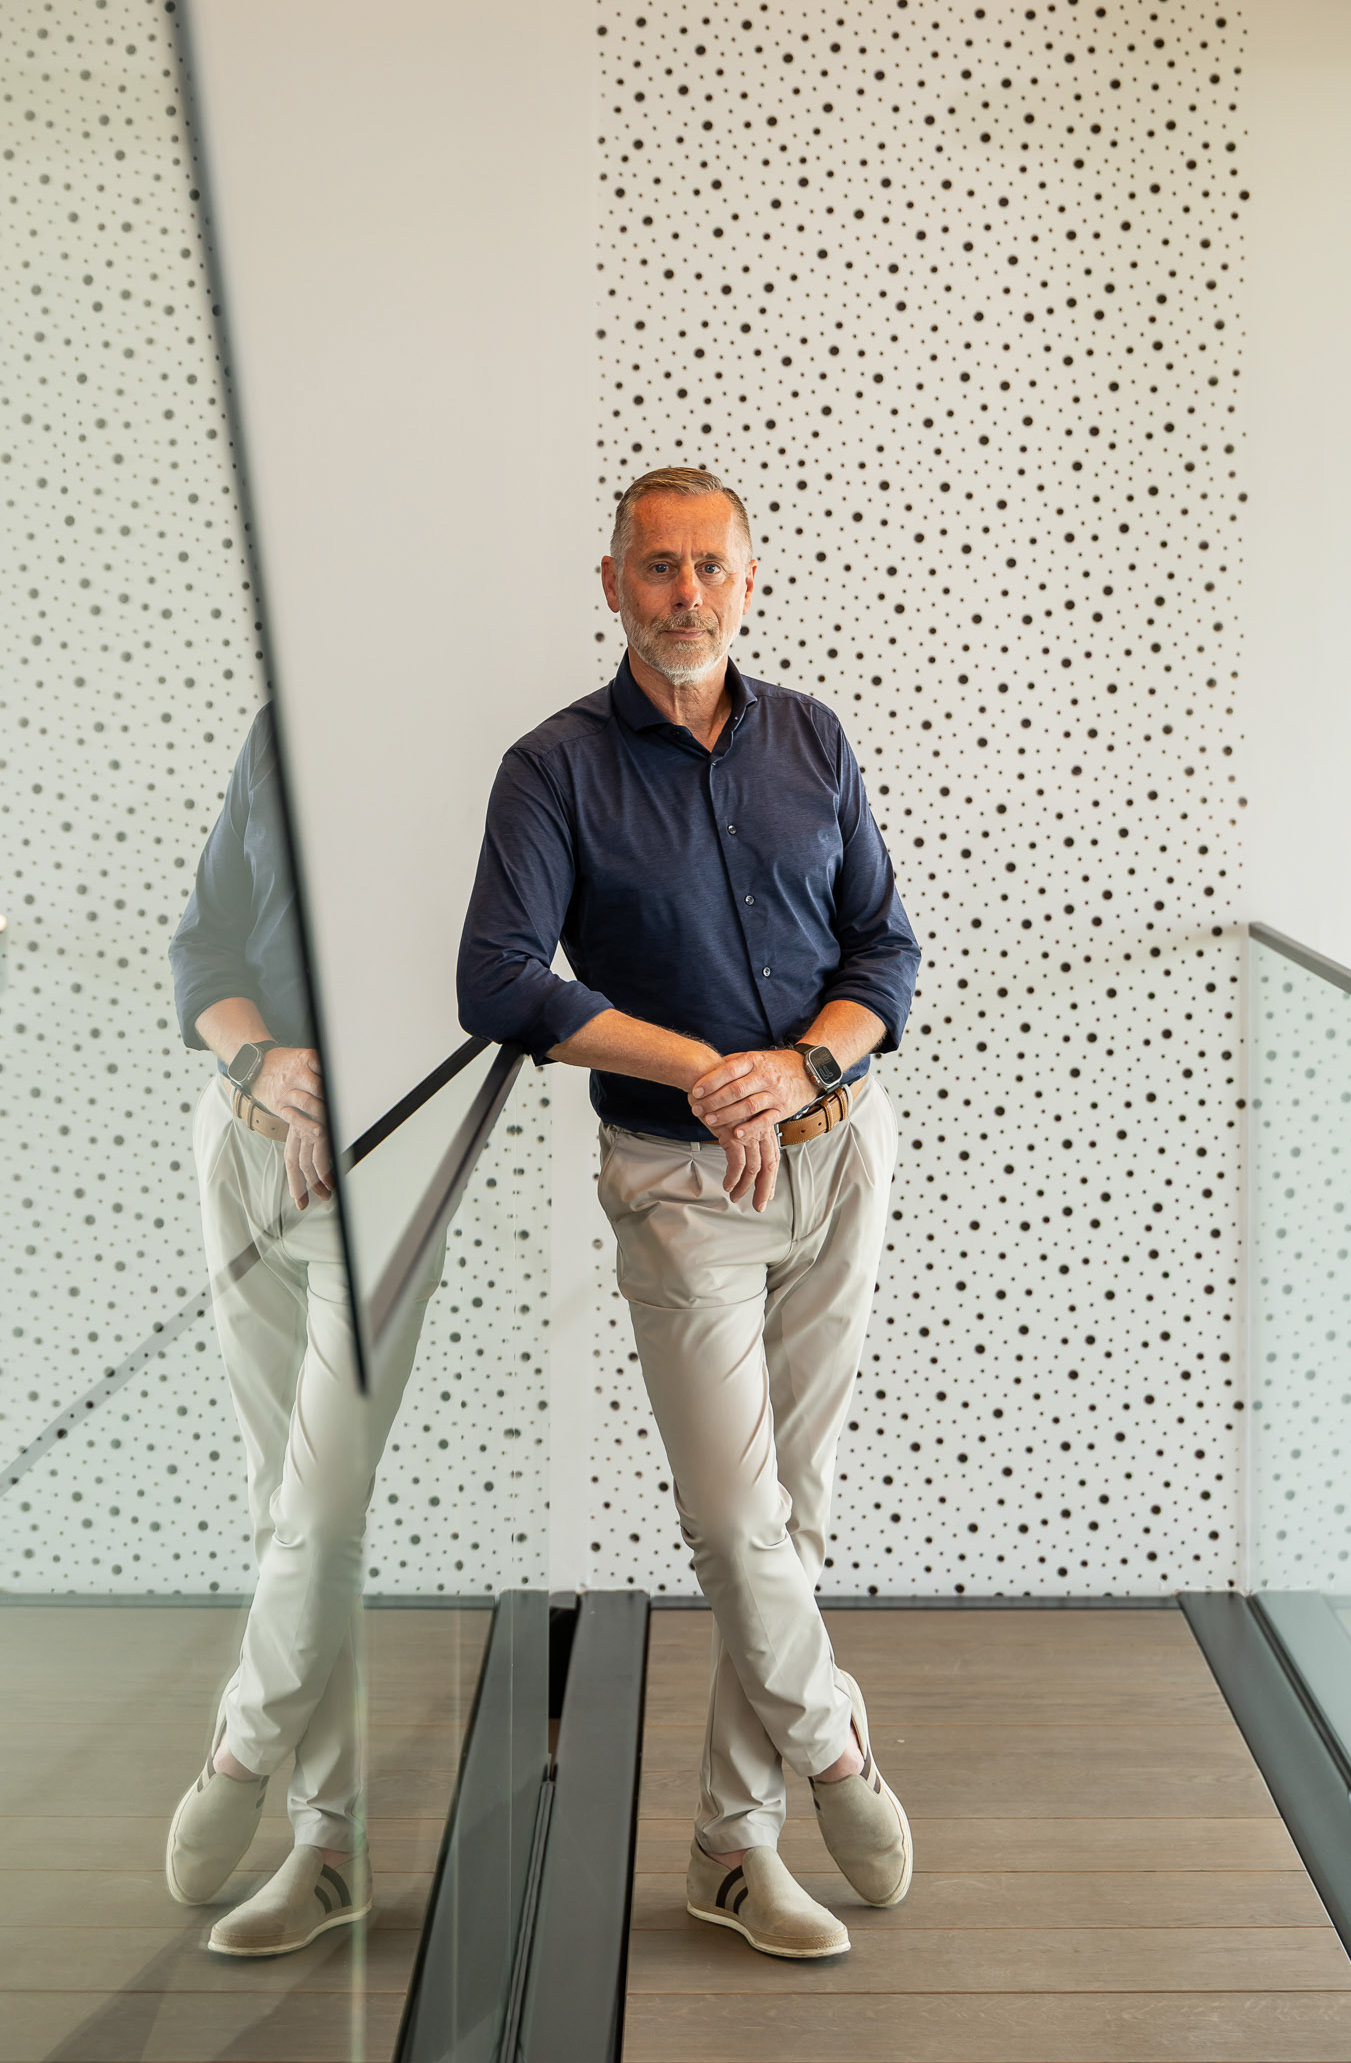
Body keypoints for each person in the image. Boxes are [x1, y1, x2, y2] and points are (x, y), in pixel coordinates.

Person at [457, 465, 921, 1961]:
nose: (686, 594)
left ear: (750, 578)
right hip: (681, 1188)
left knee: (796, 1510)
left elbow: (885, 951)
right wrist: (709, 1074)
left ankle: (734, 1845)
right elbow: (500, 979)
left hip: (839, 1156)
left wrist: (800, 1068)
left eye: (711, 565)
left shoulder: (814, 738)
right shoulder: (553, 769)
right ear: (611, 584)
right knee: (734, 1522)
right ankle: (833, 1746)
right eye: (657, 567)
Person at [165, 705, 442, 1958]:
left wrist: (350, 1085)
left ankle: (242, 1750)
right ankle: (329, 1848)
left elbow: (494, 984)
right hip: (242, 1148)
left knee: (322, 1508)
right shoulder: (283, 728)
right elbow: (204, 945)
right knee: (280, 1497)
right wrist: (260, 1066)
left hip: (379, 1171)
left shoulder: (486, 749)